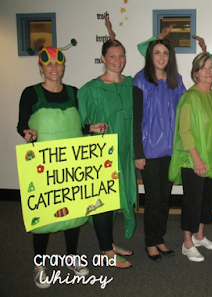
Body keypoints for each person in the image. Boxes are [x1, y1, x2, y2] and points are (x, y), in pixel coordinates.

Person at [17, 46, 102, 288]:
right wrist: (28, 132)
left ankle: (71, 256)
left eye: (58, 63)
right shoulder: (30, 94)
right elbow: (21, 125)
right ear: (41, 67)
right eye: (49, 64)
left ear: (64, 67)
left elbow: (80, 127)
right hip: (43, 167)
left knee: (73, 214)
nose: (54, 68)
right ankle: (39, 264)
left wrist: (92, 129)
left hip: (71, 167)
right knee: (43, 217)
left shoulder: (74, 93)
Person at [78, 39, 136, 268]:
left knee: (115, 200)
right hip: (101, 154)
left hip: (124, 153)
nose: (118, 61)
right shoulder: (90, 89)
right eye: (112, 56)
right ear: (103, 58)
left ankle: (109, 243)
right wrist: (89, 128)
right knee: (102, 200)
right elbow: (77, 125)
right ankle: (105, 251)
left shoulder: (131, 84)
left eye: (121, 55)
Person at [169, 52, 212, 262]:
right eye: (203, 68)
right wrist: (196, 158)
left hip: (211, 159)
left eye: (211, 67)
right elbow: (184, 132)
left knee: (208, 200)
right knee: (192, 202)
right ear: (195, 73)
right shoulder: (190, 97)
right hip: (193, 160)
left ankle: (199, 236)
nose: (208, 71)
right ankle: (187, 243)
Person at [133, 37, 186, 261]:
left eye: (165, 53)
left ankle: (160, 238)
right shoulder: (140, 80)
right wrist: (138, 153)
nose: (162, 57)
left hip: (170, 150)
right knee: (153, 198)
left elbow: (185, 110)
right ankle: (150, 242)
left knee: (165, 198)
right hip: (149, 150)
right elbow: (136, 120)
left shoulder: (176, 80)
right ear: (150, 55)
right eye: (157, 53)